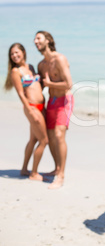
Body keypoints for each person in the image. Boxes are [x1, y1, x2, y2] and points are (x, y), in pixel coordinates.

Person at [34, 31, 74, 189]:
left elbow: (68, 84)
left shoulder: (60, 59)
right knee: (50, 137)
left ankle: (61, 176)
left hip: (64, 100)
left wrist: (51, 85)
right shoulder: (41, 65)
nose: (36, 41)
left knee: (59, 135)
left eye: (39, 38)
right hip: (51, 101)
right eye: (35, 39)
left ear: (48, 40)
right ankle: (57, 168)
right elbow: (40, 86)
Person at [4, 43, 48, 181]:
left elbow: (38, 86)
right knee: (44, 140)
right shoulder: (16, 71)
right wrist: (30, 110)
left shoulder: (30, 67)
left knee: (34, 139)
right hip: (32, 107)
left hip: (41, 106)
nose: (15, 56)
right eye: (12, 54)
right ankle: (34, 173)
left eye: (17, 52)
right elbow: (21, 94)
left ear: (23, 52)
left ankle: (24, 169)